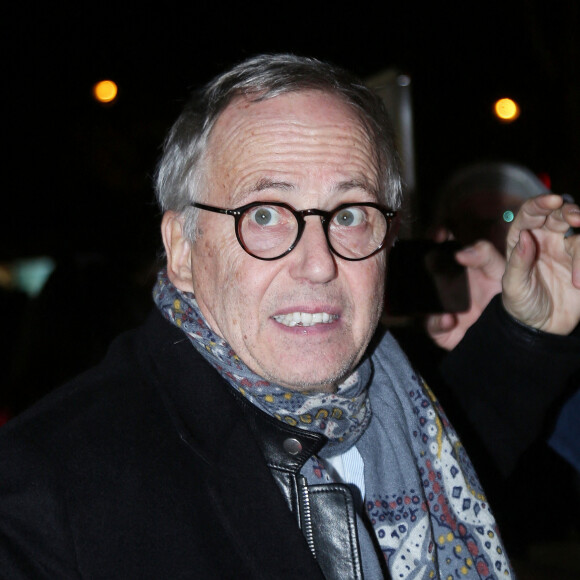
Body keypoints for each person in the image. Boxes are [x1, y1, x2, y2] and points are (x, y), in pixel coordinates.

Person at [1, 54, 579, 579]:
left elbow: (474, 433)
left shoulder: (404, 412)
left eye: (349, 213)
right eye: (265, 215)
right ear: (181, 248)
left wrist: (531, 328)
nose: (318, 263)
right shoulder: (44, 492)